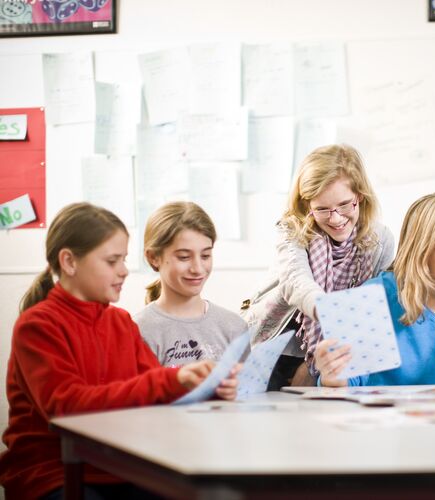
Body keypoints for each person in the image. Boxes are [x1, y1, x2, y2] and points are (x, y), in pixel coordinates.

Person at [0, 203, 237, 499]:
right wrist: (173, 380)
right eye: (112, 261)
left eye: (123, 260)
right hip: (52, 472)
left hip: (117, 466)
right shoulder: (37, 326)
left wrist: (208, 386)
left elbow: (158, 392)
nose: (124, 271)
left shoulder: (120, 321)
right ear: (69, 262)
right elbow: (66, 406)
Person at [244, 144, 395, 388]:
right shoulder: (292, 228)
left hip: (333, 352)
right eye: (322, 209)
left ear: (360, 195)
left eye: (345, 205)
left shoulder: (380, 240)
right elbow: (296, 282)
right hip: (274, 347)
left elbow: (378, 299)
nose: (335, 219)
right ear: (306, 206)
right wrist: (331, 311)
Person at [315, 193, 435, 387]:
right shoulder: (374, 297)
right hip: (379, 415)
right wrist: (332, 373)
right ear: (423, 252)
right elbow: (346, 382)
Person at [135, 201, 247, 367]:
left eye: (205, 256)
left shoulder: (234, 327)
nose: (197, 268)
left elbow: (248, 390)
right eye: (184, 257)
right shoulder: (138, 331)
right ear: (153, 257)